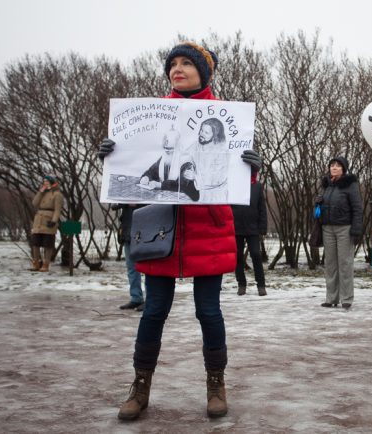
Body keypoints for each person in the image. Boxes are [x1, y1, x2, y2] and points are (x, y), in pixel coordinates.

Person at [97, 41, 261, 420]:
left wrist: (251, 167)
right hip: (160, 231)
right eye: (173, 63)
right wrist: (113, 153)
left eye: (187, 63)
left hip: (210, 228)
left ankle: (216, 383)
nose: (178, 68)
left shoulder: (226, 116)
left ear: (204, 73)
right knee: (153, 310)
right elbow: (143, 166)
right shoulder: (149, 117)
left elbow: (233, 176)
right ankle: (140, 386)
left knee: (209, 312)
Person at [316, 156, 363, 310]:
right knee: (330, 264)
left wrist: (356, 228)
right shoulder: (326, 185)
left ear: (343, 169)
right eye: (332, 165)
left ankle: (347, 298)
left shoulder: (350, 185)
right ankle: (331, 298)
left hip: (345, 229)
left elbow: (357, 208)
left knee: (345, 263)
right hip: (327, 228)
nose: (334, 168)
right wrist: (318, 203)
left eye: (337, 166)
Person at [232, 168, 267, 296]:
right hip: (236, 227)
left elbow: (262, 208)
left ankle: (261, 285)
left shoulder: (257, 186)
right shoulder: (234, 186)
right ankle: (241, 284)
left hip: (253, 227)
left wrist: (263, 227)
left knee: (256, 254)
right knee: (237, 256)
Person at [139, 126, 200, 201]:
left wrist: (161, 185)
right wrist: (146, 177)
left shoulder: (186, 161)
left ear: (177, 147)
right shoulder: (164, 158)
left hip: (184, 201)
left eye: (170, 148)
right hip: (165, 199)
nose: (167, 151)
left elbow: (182, 185)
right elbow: (151, 171)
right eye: (165, 148)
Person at [113, 204, 146, 311]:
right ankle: (136, 298)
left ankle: (150, 300)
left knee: (147, 268)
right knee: (132, 268)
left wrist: (139, 203)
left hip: (144, 232)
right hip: (128, 230)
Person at [191, 117, 229, 202]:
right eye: (201, 130)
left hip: (216, 199)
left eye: (206, 132)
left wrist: (194, 177)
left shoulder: (222, 152)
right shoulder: (197, 145)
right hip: (199, 197)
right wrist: (187, 167)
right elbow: (185, 156)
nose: (201, 134)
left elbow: (218, 179)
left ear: (215, 136)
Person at [30, 175, 63, 272]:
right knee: (35, 243)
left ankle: (46, 264)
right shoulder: (43, 193)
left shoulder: (57, 194)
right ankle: (35, 262)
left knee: (47, 244)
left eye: (47, 182)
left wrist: (54, 220)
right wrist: (40, 192)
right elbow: (34, 203)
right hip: (39, 220)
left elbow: (57, 209)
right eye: (44, 182)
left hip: (49, 219)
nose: (45, 183)